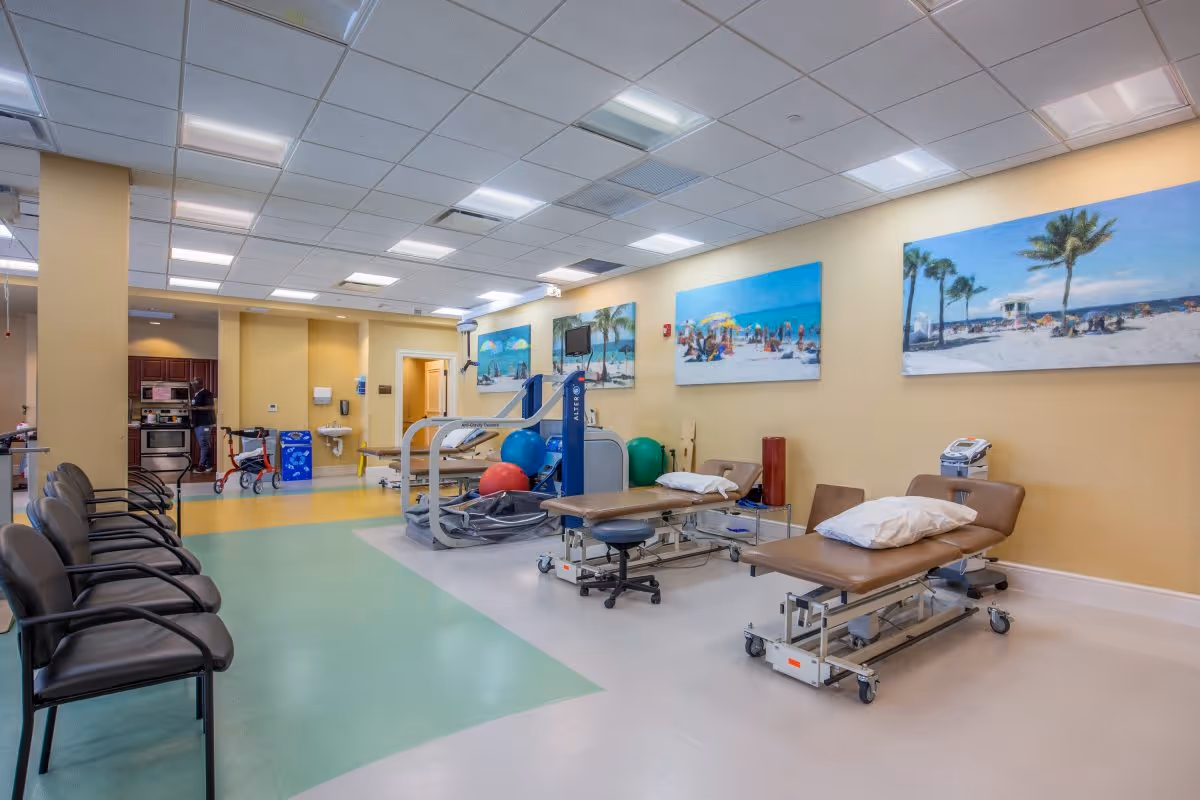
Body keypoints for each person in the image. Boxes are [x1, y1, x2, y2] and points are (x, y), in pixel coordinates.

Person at [190, 377, 216, 472]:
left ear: (200, 384)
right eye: (192, 384)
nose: (192, 386)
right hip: (198, 423)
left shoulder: (206, 393)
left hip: (205, 423)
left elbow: (210, 407)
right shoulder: (196, 394)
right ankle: (208, 465)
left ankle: (202, 466)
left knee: (204, 444)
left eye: (194, 384)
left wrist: (195, 408)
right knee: (204, 444)